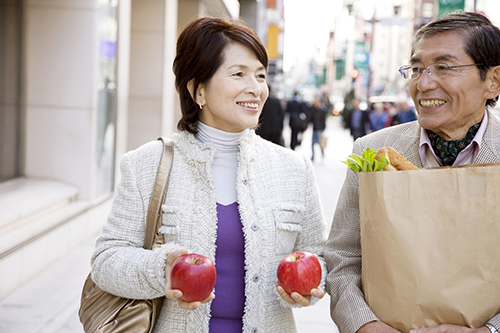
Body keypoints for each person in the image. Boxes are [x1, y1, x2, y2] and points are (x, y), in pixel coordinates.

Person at [90, 17, 327, 333]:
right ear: (198, 89)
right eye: (238, 74)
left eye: (260, 76)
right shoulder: (146, 165)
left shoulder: (293, 170)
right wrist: (164, 269)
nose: (255, 88)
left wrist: (309, 286)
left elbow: (320, 255)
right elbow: (106, 262)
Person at [324, 12, 500, 333]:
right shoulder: (372, 150)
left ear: (493, 81)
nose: (423, 83)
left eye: (444, 67)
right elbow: (342, 257)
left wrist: (490, 331)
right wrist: (364, 325)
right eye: (417, 69)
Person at [308, 95, 328, 161]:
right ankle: (313, 155)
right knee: (313, 143)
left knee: (320, 143)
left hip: (319, 129)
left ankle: (322, 153)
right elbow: (310, 118)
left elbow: (323, 120)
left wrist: (324, 127)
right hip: (314, 129)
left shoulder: (321, 110)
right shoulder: (313, 110)